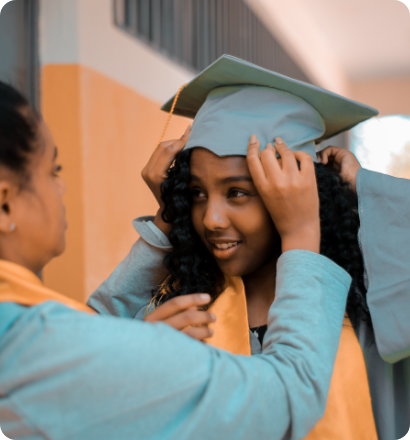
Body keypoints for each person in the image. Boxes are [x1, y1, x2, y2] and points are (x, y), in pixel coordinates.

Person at [0, 81, 353, 440]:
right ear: (4, 203)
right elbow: (290, 395)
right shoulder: (41, 336)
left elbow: (92, 329)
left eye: (237, 192)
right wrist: (302, 232)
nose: (212, 219)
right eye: (53, 171)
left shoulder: (364, 315)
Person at [89, 56, 409, 440]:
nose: (211, 219)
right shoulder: (181, 315)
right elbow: (86, 358)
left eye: (237, 192)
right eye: (196, 194)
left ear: (301, 194)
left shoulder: (374, 313)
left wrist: (366, 187)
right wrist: (166, 220)